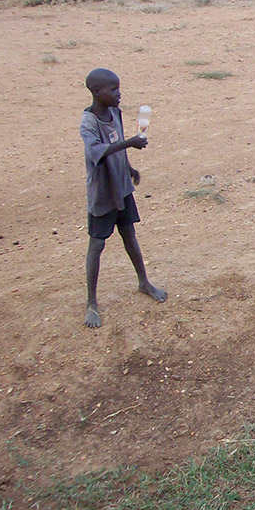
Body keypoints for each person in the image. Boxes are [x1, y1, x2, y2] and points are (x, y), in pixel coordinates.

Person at [79, 68, 166, 328]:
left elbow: (117, 148)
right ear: (97, 92)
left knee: (130, 236)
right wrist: (130, 143)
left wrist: (128, 168)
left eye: (119, 88)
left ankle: (143, 282)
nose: (119, 93)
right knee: (96, 246)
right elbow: (99, 151)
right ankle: (91, 303)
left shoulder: (114, 112)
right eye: (113, 89)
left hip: (122, 187)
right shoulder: (89, 122)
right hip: (103, 194)